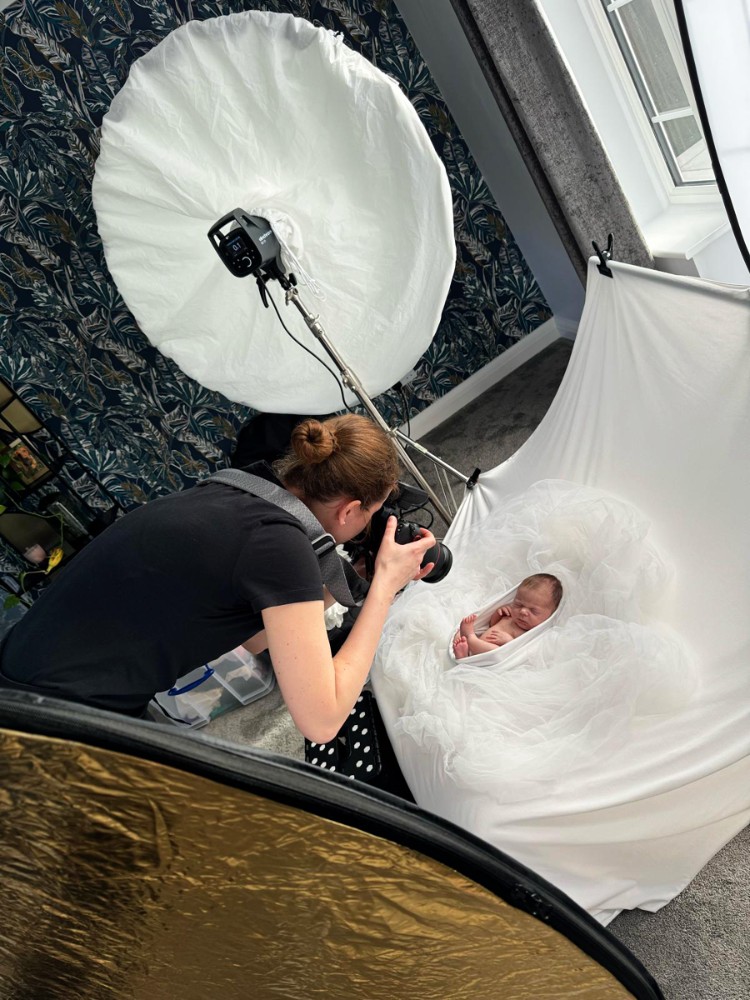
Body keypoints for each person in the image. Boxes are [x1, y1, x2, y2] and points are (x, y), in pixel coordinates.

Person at [0, 415, 436, 742]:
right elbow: (322, 720)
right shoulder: (281, 544)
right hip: (56, 722)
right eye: (372, 514)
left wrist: (354, 580)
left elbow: (256, 638)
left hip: (25, 682)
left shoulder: (237, 492)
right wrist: (383, 587)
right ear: (349, 510)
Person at [452, 573, 562, 659]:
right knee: (457, 635)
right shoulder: (511, 615)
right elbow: (491, 625)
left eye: (533, 611)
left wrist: (508, 641)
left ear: (549, 616)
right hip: (478, 645)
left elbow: (518, 653)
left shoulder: (529, 634)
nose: (523, 611)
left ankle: (470, 637)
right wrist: (497, 614)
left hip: (489, 656)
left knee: (495, 652)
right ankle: (464, 653)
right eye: (519, 604)